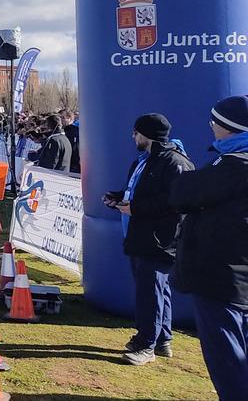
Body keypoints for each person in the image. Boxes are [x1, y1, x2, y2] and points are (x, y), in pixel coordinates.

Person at [170, 96, 248, 398]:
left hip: (222, 279)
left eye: (214, 124)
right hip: (234, 276)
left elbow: (182, 193)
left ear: (228, 128)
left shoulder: (233, 164)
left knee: (227, 359)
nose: (212, 129)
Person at [102, 113, 192, 365]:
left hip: (161, 237)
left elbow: (176, 201)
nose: (133, 136)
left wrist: (137, 207)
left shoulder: (174, 162)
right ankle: (162, 339)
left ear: (148, 134)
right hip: (140, 233)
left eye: (136, 132)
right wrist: (119, 198)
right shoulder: (144, 161)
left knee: (150, 291)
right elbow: (138, 192)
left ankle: (146, 345)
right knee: (157, 289)